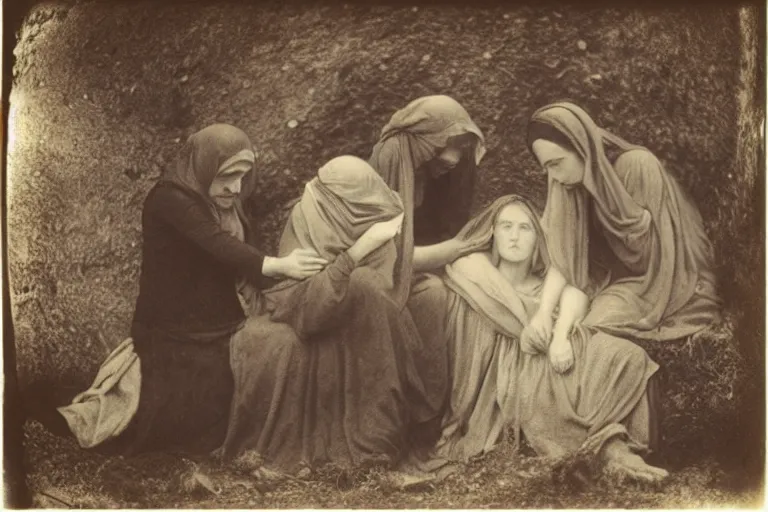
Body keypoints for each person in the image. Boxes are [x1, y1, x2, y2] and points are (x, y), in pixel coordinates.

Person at [30, 124, 326, 455]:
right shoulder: (169, 200)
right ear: (203, 167)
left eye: (243, 176)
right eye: (226, 175)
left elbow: (242, 262)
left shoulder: (229, 203)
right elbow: (216, 244)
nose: (236, 187)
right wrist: (278, 265)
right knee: (166, 421)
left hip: (221, 323)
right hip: (172, 332)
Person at [426, 195, 668, 483]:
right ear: (492, 233)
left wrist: (560, 336)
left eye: (525, 228)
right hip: (514, 373)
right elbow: (469, 268)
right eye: (506, 227)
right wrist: (527, 326)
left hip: (558, 355)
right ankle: (607, 452)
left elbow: (575, 294)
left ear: (538, 238)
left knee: (627, 355)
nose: (514, 236)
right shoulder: (474, 270)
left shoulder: (546, 286)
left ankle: (619, 448)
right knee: (549, 388)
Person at [218, 156, 436, 473]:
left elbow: (379, 290)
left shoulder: (380, 218)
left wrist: (357, 260)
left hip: (361, 325)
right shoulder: (312, 211)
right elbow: (306, 309)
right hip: (308, 314)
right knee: (358, 286)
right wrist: (354, 254)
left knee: (366, 286)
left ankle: (377, 436)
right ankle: (366, 442)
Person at [523, 102, 721, 371]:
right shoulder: (565, 185)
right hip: (612, 278)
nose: (554, 177)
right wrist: (543, 314)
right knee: (543, 317)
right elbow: (563, 254)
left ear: (582, 147)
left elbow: (656, 257)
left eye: (557, 164)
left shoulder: (635, 165)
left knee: (593, 328)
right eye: (547, 168)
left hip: (664, 278)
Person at [367, 95, 490, 440]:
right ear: (425, 139)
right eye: (446, 146)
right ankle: (416, 416)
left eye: (458, 148)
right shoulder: (392, 157)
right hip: (382, 273)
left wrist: (457, 252)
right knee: (434, 297)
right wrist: (451, 252)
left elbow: (449, 227)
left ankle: (436, 415)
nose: (453, 157)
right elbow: (386, 254)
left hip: (422, 264)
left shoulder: (447, 168)